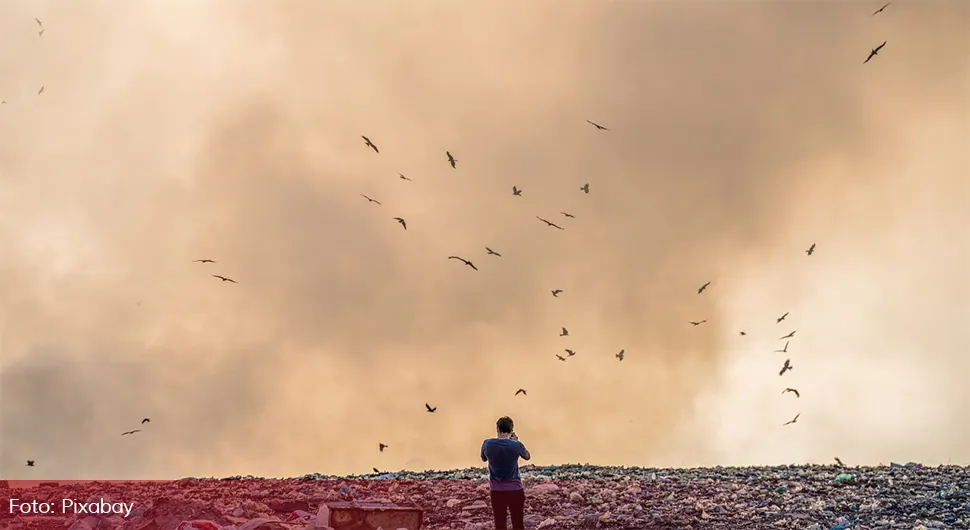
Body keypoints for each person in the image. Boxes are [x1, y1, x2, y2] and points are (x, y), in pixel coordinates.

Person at [480, 416, 531, 530]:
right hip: (515, 489)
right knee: (518, 524)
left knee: (500, 523)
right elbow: (527, 456)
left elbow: (483, 458)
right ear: (511, 429)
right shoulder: (516, 445)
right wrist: (516, 441)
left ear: (497, 428)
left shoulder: (487, 444)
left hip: (496, 490)